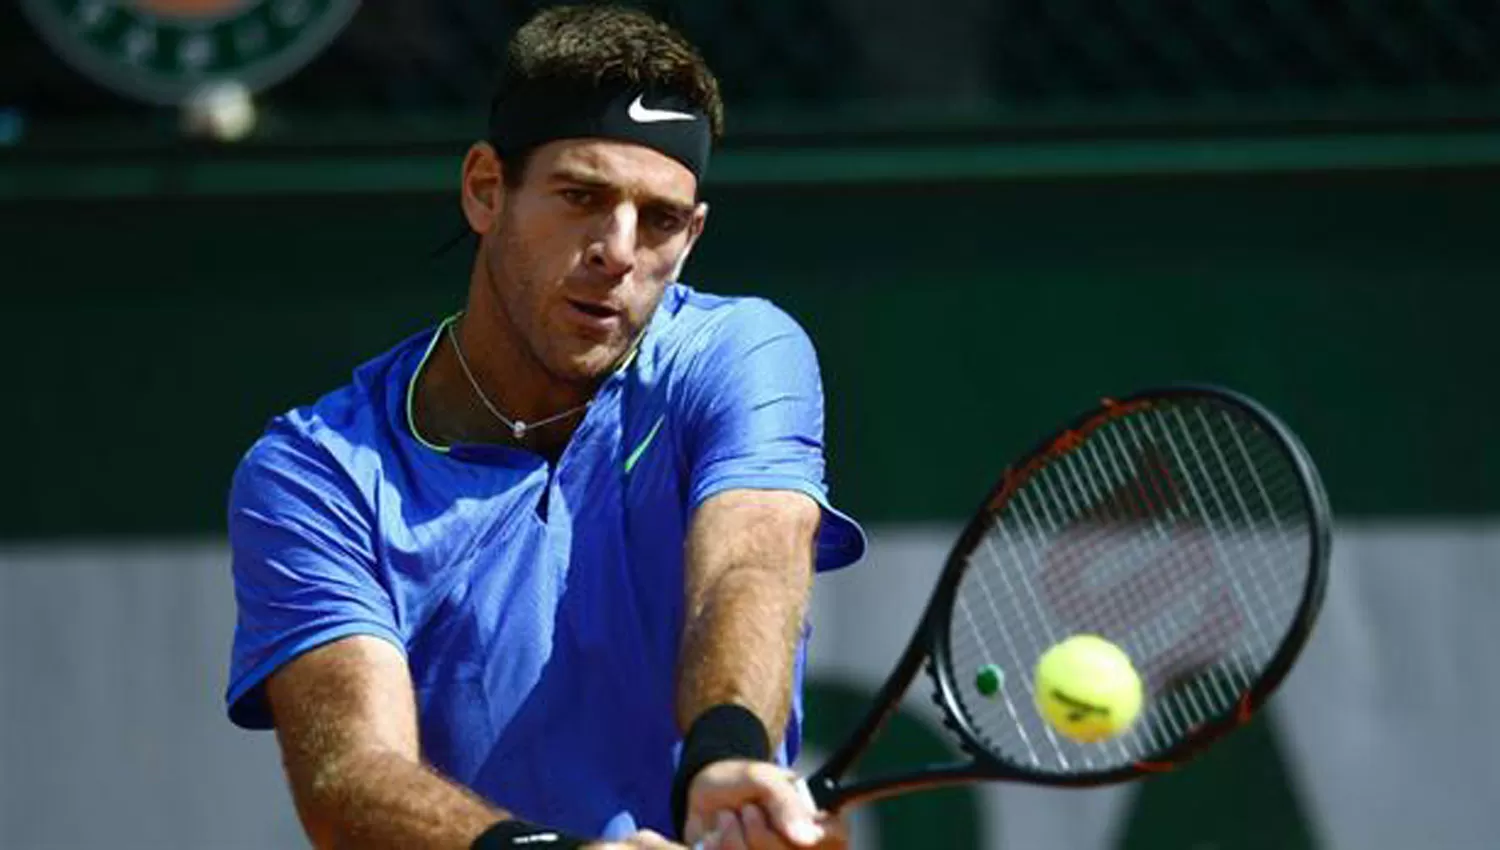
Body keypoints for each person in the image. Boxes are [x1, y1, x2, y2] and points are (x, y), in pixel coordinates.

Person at [223, 6, 864, 849]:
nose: (618, 251)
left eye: (661, 219)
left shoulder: (741, 352)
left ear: (693, 234)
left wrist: (723, 755)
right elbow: (350, 774)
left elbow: (748, 559)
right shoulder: (316, 473)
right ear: (486, 189)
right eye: (581, 197)